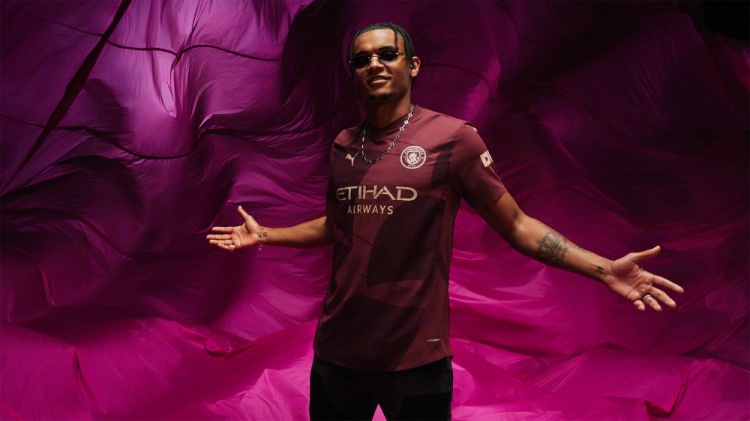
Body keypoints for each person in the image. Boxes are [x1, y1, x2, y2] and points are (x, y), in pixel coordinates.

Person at [207, 22, 684, 421]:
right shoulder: (343, 145)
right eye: (362, 59)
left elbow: (517, 225)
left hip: (416, 357)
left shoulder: (453, 139)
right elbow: (338, 226)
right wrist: (265, 234)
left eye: (387, 54)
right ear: (354, 74)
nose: (374, 64)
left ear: (412, 65)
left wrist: (604, 269)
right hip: (337, 354)